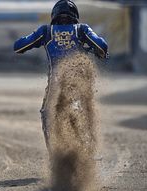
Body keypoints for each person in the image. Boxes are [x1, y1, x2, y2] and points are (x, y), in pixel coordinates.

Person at [13, 0, 109, 149]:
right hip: (78, 84)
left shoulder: (46, 31)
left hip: (55, 85)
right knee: (82, 110)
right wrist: (96, 51)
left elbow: (18, 47)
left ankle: (55, 154)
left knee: (47, 114)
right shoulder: (81, 29)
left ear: (54, 15)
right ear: (75, 15)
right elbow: (102, 46)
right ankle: (87, 150)